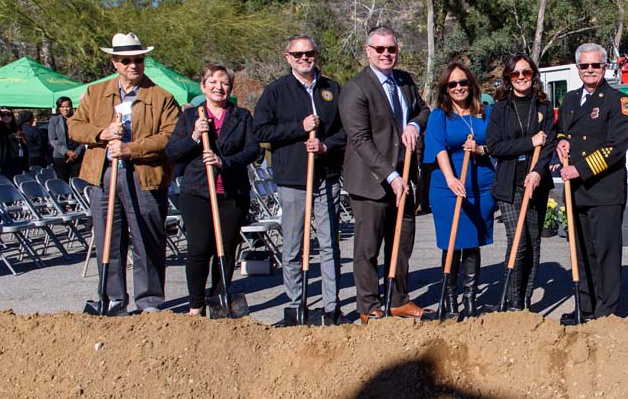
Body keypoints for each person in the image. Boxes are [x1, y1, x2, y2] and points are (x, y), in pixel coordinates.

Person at [68, 32, 180, 315]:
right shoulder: (95, 93)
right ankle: (112, 298)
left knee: (147, 238)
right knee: (109, 238)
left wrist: (131, 149)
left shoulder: (161, 97)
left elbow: (170, 137)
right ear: (115, 62)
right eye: (126, 60)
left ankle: (150, 301)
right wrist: (101, 133)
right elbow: (75, 126)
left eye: (139, 59)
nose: (134, 65)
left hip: (145, 174)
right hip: (103, 175)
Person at [339, 27, 430, 324]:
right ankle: (368, 305)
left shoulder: (404, 81)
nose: (386, 54)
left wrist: (415, 125)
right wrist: (390, 176)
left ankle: (398, 299)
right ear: (368, 51)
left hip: (405, 176)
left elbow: (423, 111)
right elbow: (360, 139)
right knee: (368, 247)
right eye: (379, 49)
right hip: (372, 182)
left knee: (402, 242)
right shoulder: (356, 88)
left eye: (391, 49)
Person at [253, 34, 345, 325]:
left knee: (330, 243)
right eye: (298, 54)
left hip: (326, 176)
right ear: (288, 57)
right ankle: (296, 304)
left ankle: (331, 307)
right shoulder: (276, 91)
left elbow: (347, 131)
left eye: (309, 53)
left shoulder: (332, 89)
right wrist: (298, 127)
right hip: (293, 178)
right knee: (293, 245)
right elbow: (261, 131)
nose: (305, 58)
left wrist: (326, 145)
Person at [166, 64, 261, 316]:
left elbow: (253, 149)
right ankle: (195, 305)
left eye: (225, 83)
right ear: (203, 86)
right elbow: (173, 152)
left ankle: (219, 298)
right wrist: (195, 136)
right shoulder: (189, 118)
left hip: (231, 192)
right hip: (197, 192)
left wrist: (224, 162)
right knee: (199, 247)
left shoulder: (242, 116)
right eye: (213, 82)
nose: (219, 87)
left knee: (226, 248)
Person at [552, 42, 628, 324]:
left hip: (604, 190)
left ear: (605, 67)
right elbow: (561, 131)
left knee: (606, 254)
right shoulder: (570, 100)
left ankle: (606, 312)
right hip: (577, 192)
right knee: (582, 252)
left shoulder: (618, 101)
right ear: (577, 69)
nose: (590, 70)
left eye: (595, 65)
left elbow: (616, 148)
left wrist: (580, 169)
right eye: (584, 66)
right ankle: (584, 307)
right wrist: (561, 144)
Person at [484, 53, 555, 311]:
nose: (521, 77)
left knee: (534, 243)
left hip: (535, 182)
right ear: (509, 78)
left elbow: (549, 144)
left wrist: (537, 171)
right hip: (509, 183)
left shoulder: (543, 106)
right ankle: (512, 300)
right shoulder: (500, 109)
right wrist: (529, 142)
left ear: (533, 75)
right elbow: (494, 146)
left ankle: (526, 300)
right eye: (516, 74)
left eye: (526, 72)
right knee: (518, 241)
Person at [424, 61, 495, 316]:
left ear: (471, 84)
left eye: (463, 82)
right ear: (446, 87)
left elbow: (497, 144)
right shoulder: (439, 115)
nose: (458, 87)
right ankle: (451, 301)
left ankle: (471, 300)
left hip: (480, 186)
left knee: (473, 243)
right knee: (452, 244)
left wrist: (480, 149)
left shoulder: (485, 113)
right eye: (452, 83)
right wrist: (452, 178)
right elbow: (438, 147)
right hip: (447, 187)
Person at [48, 97, 85, 181]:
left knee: (77, 181)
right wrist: (66, 152)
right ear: (59, 108)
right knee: (62, 181)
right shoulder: (54, 120)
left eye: (67, 106)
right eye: (62, 107)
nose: (65, 109)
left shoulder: (79, 120)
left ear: (71, 107)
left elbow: (84, 138)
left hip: (77, 155)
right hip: (61, 157)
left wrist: (76, 152)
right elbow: (53, 139)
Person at [0, 107, 21, 178]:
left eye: (8, 114)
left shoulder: (15, 129)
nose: (6, 117)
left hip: (13, 164)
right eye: (2, 115)